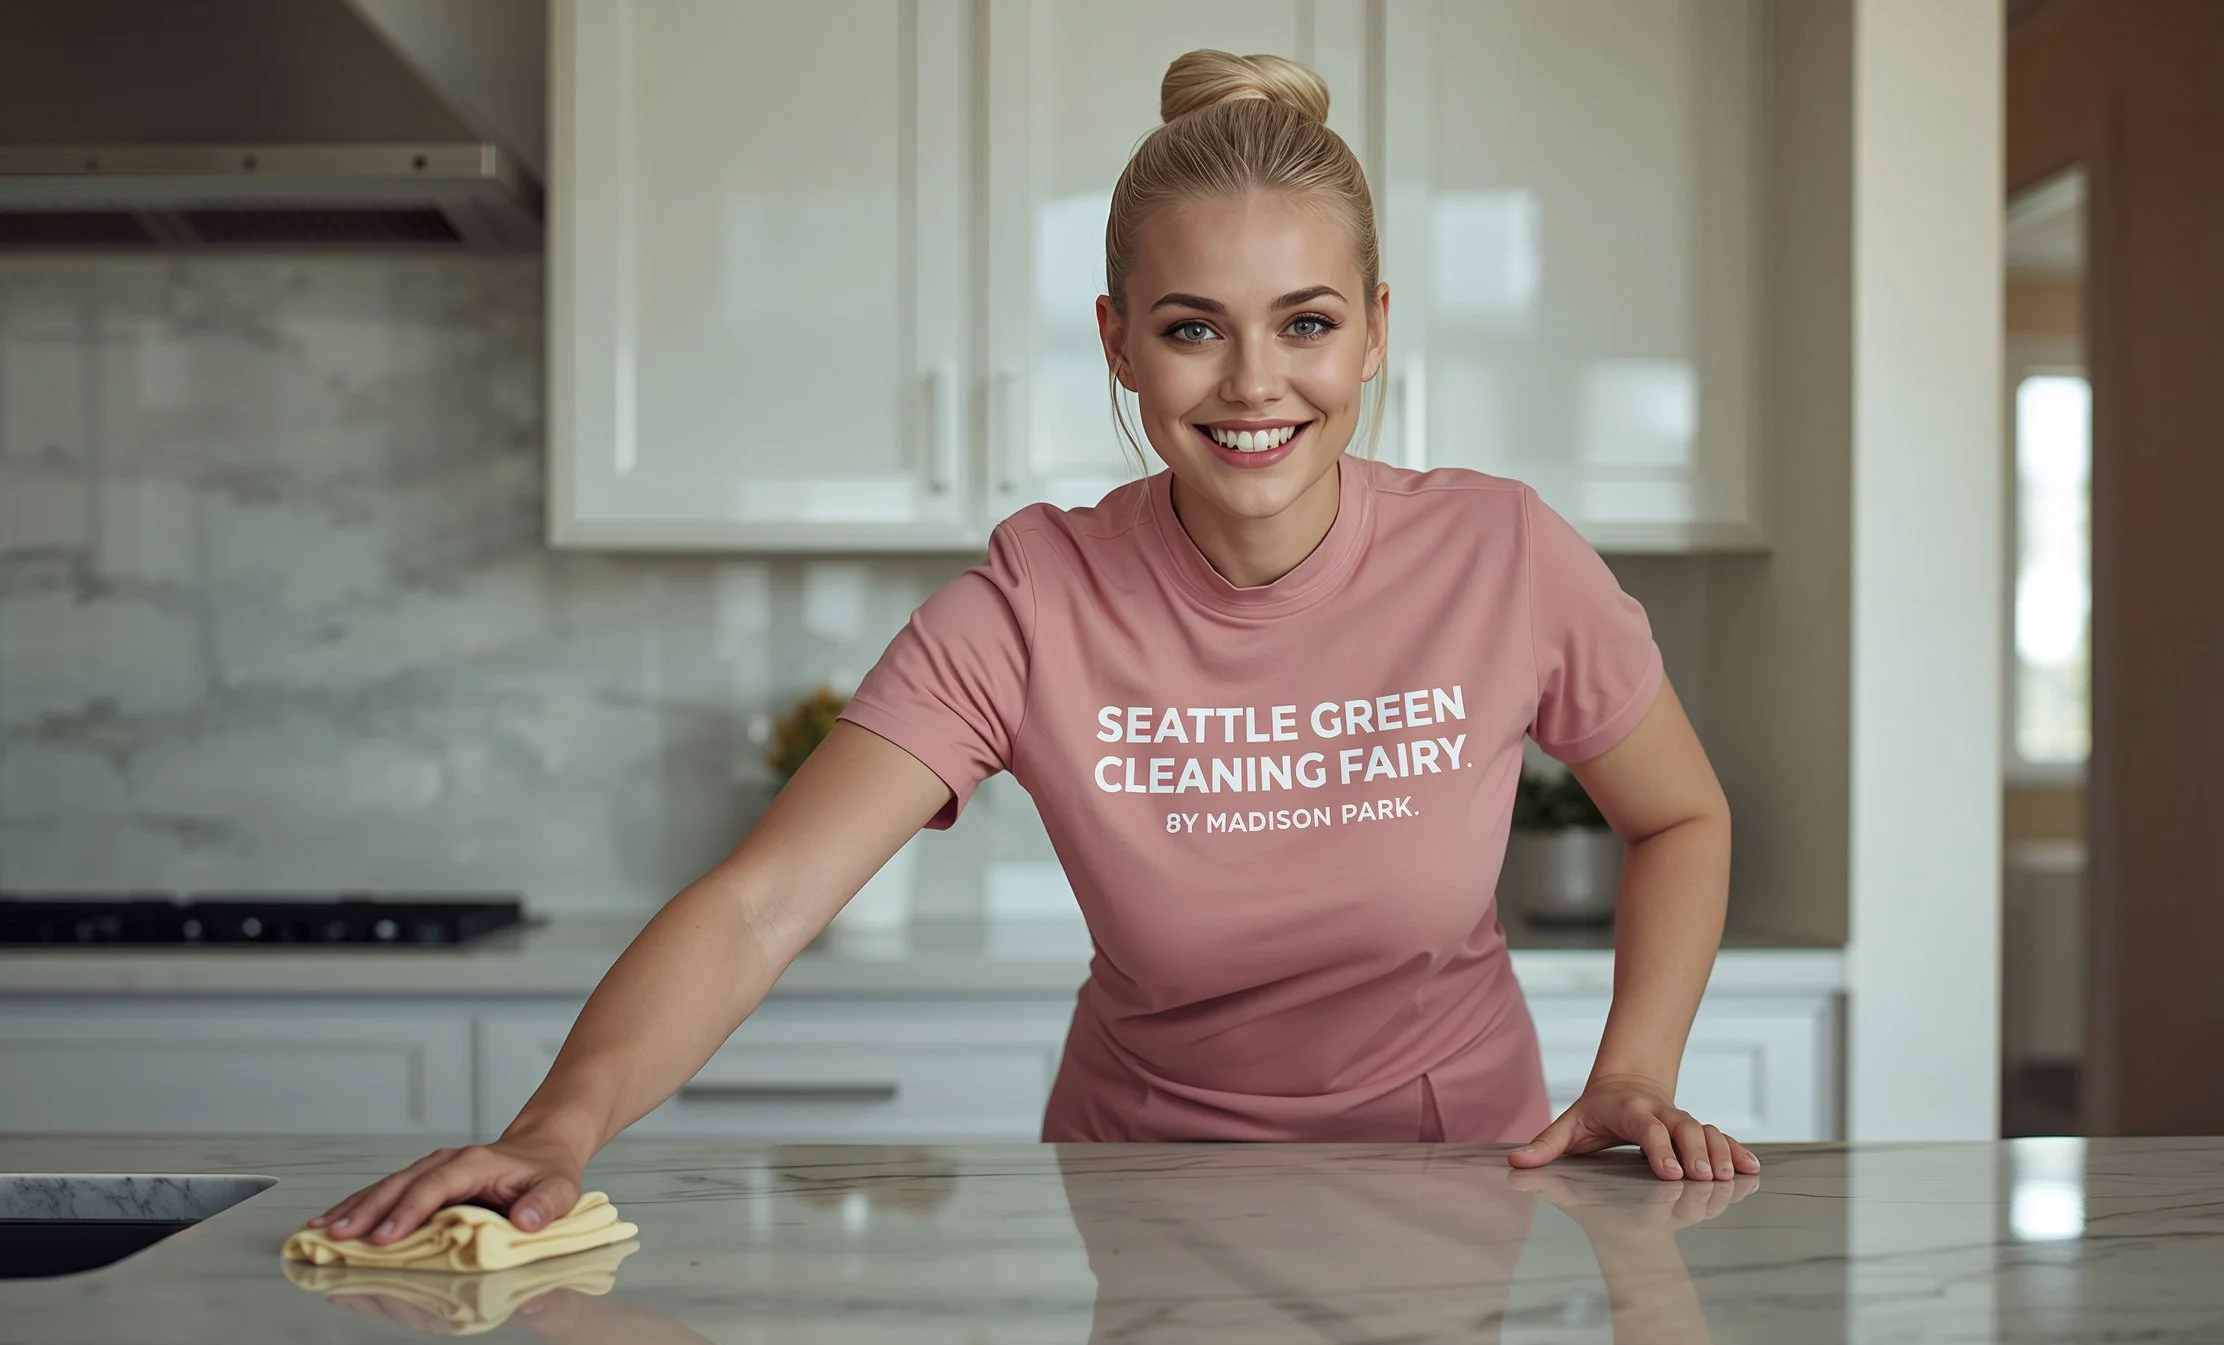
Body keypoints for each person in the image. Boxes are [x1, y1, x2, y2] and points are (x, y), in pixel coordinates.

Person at [307, 48, 1756, 1251]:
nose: (1255, 384)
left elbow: (1681, 813)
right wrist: (555, 1128)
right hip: (1141, 1192)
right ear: (1118, 343)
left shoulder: (1503, 555)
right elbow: (763, 904)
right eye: (1194, 330)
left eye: (1305, 323)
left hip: (1456, 1178)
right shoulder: (1032, 603)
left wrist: (1633, 1070)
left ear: (1373, 335)